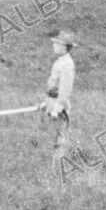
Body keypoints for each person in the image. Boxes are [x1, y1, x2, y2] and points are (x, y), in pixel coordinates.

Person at [40, 31, 76, 166]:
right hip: (51, 102)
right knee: (51, 135)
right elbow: (52, 86)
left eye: (57, 43)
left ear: (65, 47)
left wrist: (58, 108)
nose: (54, 45)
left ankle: (59, 166)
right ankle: (52, 166)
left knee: (59, 138)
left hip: (58, 105)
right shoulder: (60, 61)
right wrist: (46, 103)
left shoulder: (67, 64)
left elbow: (65, 89)